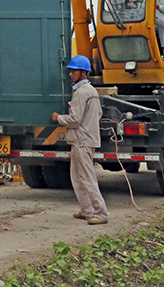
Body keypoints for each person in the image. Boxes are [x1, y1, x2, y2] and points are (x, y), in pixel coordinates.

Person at [51, 55, 109, 226]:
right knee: (77, 177)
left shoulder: (81, 93)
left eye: (74, 71)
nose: (71, 74)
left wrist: (58, 118)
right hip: (85, 140)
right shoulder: (91, 91)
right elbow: (97, 115)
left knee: (87, 178)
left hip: (81, 141)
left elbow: (75, 120)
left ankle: (101, 213)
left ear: (83, 73)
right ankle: (87, 210)